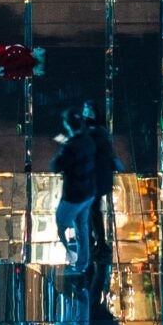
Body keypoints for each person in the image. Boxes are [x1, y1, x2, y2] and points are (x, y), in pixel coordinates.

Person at [53, 104, 114, 281]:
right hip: (89, 189)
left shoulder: (84, 139)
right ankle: (84, 261)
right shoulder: (92, 136)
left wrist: (65, 145)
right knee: (83, 224)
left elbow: (57, 164)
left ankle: (83, 255)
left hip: (80, 191)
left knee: (63, 224)